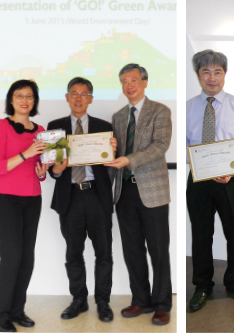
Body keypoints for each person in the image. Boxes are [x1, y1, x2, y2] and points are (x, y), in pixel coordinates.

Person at [186, 50, 234, 312]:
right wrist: (199, 162)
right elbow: (185, 145)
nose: (212, 77)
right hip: (198, 181)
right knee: (201, 235)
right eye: (206, 72)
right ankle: (202, 285)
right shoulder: (188, 107)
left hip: (232, 181)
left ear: (225, 75)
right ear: (198, 76)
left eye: (218, 72)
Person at [105, 63, 172, 326]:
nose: (128, 85)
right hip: (124, 191)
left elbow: (160, 146)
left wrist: (127, 160)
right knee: (132, 250)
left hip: (152, 192)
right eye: (124, 81)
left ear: (145, 82)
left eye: (133, 80)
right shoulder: (118, 116)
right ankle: (141, 299)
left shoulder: (160, 111)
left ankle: (163, 303)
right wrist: (109, 152)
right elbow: (114, 154)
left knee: (158, 250)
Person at [47, 77, 117, 323]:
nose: (79, 98)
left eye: (84, 94)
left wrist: (112, 151)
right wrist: (57, 168)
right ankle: (78, 300)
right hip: (70, 197)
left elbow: (111, 166)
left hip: (97, 195)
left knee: (104, 253)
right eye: (74, 93)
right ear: (67, 97)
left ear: (91, 98)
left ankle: (103, 302)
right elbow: (53, 172)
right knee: (73, 253)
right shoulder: (55, 128)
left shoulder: (103, 127)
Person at [0, 80, 48, 332]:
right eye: (19, 95)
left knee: (26, 258)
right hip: (6, 199)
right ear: (10, 100)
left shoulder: (41, 130)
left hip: (32, 197)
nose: (25, 100)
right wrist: (26, 152)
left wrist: (42, 170)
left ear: (34, 101)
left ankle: (17, 310)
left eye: (30, 96)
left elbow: (40, 170)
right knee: (11, 256)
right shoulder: (1, 126)